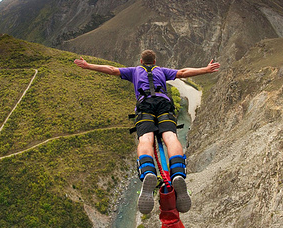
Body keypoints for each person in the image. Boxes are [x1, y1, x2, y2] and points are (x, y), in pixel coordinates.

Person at [74, 50, 220, 214]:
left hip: (145, 107)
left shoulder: (134, 71)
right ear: (154, 61)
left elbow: (111, 69)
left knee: (145, 139)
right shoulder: (162, 71)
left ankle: (149, 172)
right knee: (171, 137)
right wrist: (206, 70)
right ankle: (177, 172)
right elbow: (184, 72)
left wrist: (88, 66)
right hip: (164, 105)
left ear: (141, 61)